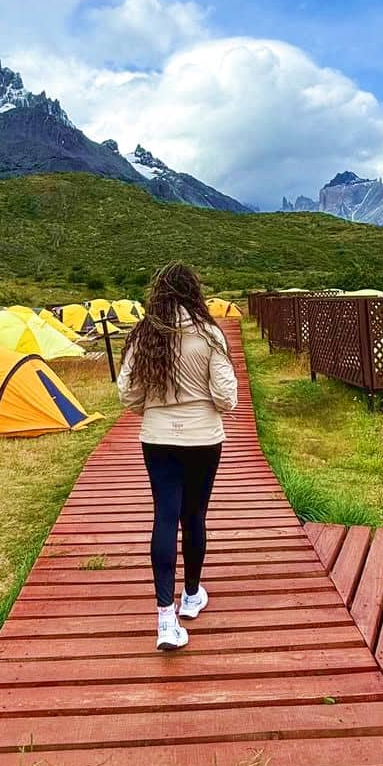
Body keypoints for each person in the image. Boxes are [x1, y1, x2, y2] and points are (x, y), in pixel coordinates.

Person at [117, 263, 238, 651]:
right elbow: (226, 396)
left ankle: (165, 621)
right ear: (193, 293)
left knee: (165, 517)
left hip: (157, 438)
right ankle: (191, 596)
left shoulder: (144, 334)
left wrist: (155, 409)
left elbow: (128, 393)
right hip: (204, 438)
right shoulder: (210, 334)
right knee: (195, 516)